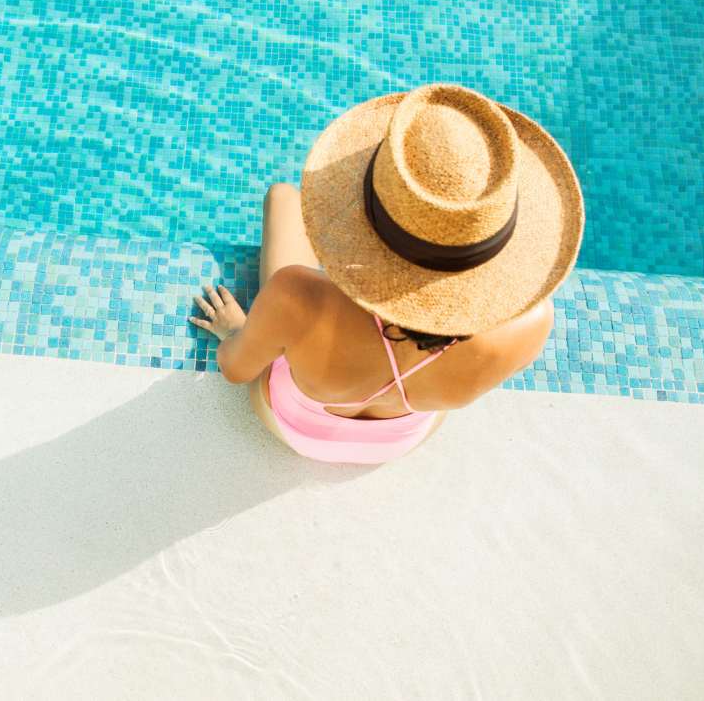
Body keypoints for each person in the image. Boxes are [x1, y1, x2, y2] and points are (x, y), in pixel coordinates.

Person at [191, 84, 584, 465]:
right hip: (402, 438)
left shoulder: (298, 297)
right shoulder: (533, 322)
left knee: (283, 198)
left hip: (300, 429)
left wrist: (235, 330)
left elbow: (236, 370)